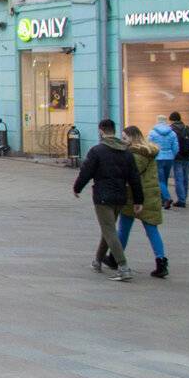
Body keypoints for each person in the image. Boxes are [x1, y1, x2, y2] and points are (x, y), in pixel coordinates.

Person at [75, 119, 144, 280]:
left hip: (103, 197)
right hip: (120, 196)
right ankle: (98, 261)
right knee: (108, 229)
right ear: (114, 131)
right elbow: (134, 178)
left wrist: (77, 188)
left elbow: (86, 172)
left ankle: (123, 266)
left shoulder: (97, 151)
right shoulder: (126, 152)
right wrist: (138, 200)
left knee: (109, 230)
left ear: (101, 131)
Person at [102, 125, 169, 278]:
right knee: (151, 230)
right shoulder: (149, 151)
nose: (123, 141)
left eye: (125, 138)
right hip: (151, 195)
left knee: (124, 228)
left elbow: (131, 176)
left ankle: (115, 257)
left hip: (136, 196)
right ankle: (161, 261)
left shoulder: (136, 155)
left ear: (132, 138)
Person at [148, 115, 179, 210]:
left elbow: (149, 146)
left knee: (160, 180)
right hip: (169, 158)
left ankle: (166, 198)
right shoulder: (172, 133)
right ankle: (163, 200)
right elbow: (176, 147)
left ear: (157, 121)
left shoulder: (152, 132)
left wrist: (151, 156)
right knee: (164, 179)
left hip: (158, 158)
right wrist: (172, 155)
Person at [168, 111, 189, 208]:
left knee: (179, 178)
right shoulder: (187, 128)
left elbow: (171, 144)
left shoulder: (172, 129)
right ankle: (184, 197)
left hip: (178, 157)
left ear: (171, 119)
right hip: (188, 156)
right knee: (185, 177)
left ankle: (181, 200)